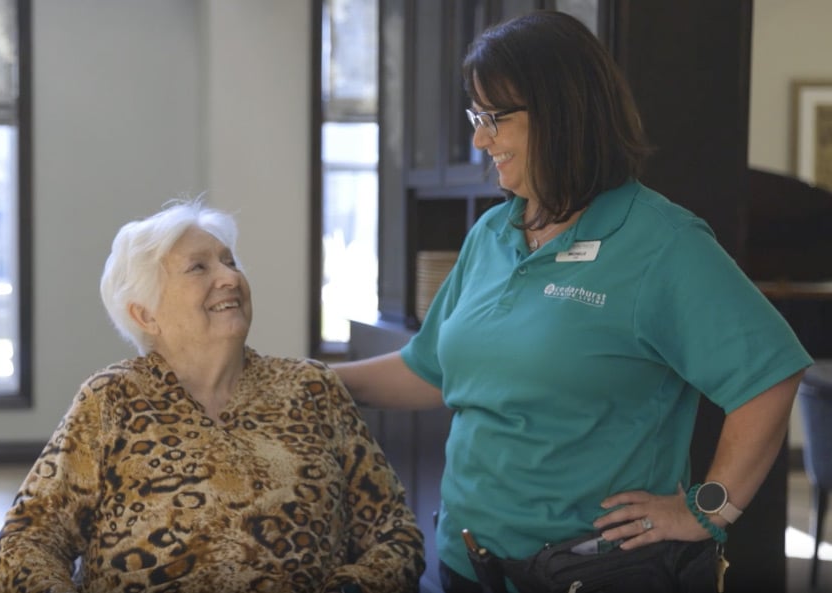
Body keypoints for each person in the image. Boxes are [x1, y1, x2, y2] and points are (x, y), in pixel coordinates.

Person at [332, 10, 811, 593]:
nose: (480, 139)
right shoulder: (492, 233)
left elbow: (768, 375)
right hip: (464, 561)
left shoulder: (662, 243)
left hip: (589, 573)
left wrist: (708, 510)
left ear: (562, 114)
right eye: (476, 116)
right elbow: (428, 370)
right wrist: (310, 380)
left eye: (493, 118)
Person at [0, 199, 425, 593]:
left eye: (230, 261)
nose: (230, 277)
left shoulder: (312, 388)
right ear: (146, 315)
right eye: (199, 268)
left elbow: (394, 531)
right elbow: (27, 540)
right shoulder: (110, 399)